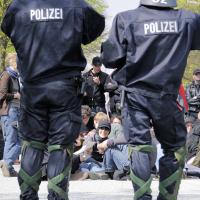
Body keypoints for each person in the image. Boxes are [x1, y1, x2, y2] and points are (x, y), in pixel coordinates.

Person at [1, 0, 105, 199]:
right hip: (65, 89)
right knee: (60, 145)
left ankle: (28, 195)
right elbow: (95, 28)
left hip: (33, 88)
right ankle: (56, 195)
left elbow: (8, 28)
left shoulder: (19, 6)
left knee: (32, 143)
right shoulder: (76, 5)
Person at [101, 0, 200, 199]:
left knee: (139, 145)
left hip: (136, 94)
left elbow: (109, 59)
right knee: (175, 147)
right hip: (168, 94)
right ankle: (168, 196)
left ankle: (142, 196)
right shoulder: (188, 19)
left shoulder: (126, 19)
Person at [0, 53, 21, 177]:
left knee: (13, 140)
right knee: (16, 139)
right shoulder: (7, 75)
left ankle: (7, 166)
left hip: (15, 110)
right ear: (14, 62)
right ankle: (7, 163)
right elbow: (1, 94)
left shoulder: (15, 76)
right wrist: (15, 95)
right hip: (10, 111)